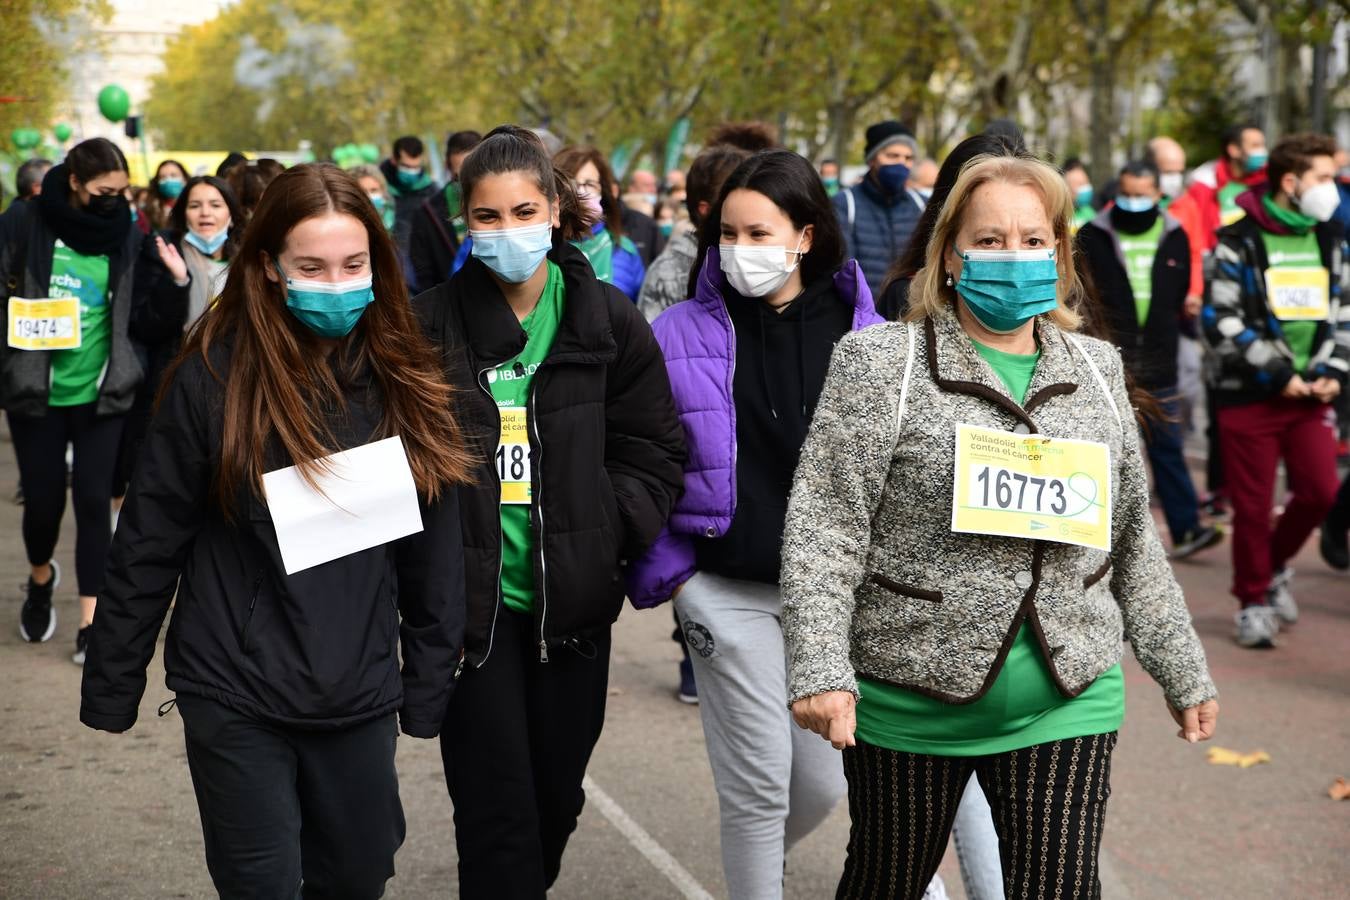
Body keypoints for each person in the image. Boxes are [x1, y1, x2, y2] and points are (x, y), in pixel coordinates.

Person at [784, 153, 1219, 900]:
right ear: (948, 255)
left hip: (1067, 691)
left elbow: (1129, 539)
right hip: (910, 694)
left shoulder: (1098, 369)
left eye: (1031, 240)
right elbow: (825, 527)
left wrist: (1180, 665)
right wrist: (822, 667)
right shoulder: (878, 364)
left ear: (1059, 255)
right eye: (988, 241)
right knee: (884, 882)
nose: (1012, 257)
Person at [80, 162, 470, 897]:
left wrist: (426, 682)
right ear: (267, 268)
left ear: (378, 266)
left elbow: (434, 552)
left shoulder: (409, 377)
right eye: (312, 267)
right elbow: (150, 537)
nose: (336, 283)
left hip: (356, 690)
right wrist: (113, 680)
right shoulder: (211, 380)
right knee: (261, 885)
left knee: (357, 875)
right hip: (235, 688)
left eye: (354, 265)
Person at [413, 125, 685, 898]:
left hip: (573, 610)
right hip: (473, 617)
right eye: (488, 218)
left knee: (555, 802)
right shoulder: (427, 326)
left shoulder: (607, 319)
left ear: (558, 211)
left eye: (524, 211)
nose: (507, 233)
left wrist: (603, 526)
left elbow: (655, 449)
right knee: (496, 816)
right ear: (465, 220)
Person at [627, 148, 887, 899]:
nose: (741, 251)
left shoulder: (869, 335)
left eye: (760, 232)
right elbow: (641, 455)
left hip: (833, 602)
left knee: (823, 787)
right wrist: (677, 571)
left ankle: (755, 876)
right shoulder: (677, 332)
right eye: (728, 235)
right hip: (726, 591)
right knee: (759, 788)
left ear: (806, 235)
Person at [0, 138, 189, 662]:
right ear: (76, 182)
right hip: (35, 392)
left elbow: (145, 320)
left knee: (92, 503)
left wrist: (177, 284)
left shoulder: (126, 235)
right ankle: (40, 579)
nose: (114, 200)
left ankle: (90, 619)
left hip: (103, 392)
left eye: (122, 192)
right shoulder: (24, 222)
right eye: (105, 191)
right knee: (42, 506)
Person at [1202, 133, 1348, 648]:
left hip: (1312, 395)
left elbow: (1345, 311)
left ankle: (1275, 565)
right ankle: (1253, 600)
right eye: (1324, 178)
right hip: (1250, 394)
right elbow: (1220, 318)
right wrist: (1278, 372)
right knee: (1253, 506)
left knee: (1320, 492)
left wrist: (1335, 369)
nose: (1333, 189)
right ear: (1291, 183)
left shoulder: (1331, 239)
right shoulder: (1236, 239)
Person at [1077, 160, 1223, 559]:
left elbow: (1179, 293)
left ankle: (1187, 527)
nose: (1134, 202)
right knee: (1106, 453)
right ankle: (1090, 540)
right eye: (1128, 193)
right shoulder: (1093, 235)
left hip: (1161, 360)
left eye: (1143, 195)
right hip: (1109, 361)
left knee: (1167, 447)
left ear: (1158, 195)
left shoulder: (1174, 234)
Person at [113, 174, 247, 506]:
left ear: (231, 212)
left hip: (237, 384)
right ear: (183, 212)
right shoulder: (162, 251)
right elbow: (145, 326)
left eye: (215, 205)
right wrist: (177, 282)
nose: (206, 213)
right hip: (178, 384)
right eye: (196, 205)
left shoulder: (250, 261)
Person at [876, 133, 1023, 321]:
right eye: (988, 241)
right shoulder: (907, 296)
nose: (1013, 252)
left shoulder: (1044, 298)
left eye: (1033, 241)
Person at [637, 143, 750, 323]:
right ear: (705, 209)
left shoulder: (748, 259)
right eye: (734, 197)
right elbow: (652, 344)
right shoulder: (669, 271)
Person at [833, 119, 923, 296]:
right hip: (862, 317)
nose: (901, 163)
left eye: (908, 158)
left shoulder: (921, 205)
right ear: (872, 159)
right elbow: (841, 268)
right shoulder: (845, 203)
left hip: (911, 315)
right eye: (892, 156)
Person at [554, 145, 648, 301]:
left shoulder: (625, 250)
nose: (580, 192)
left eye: (590, 184)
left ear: (603, 193)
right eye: (572, 183)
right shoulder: (542, 250)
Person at [409, 129, 482, 293]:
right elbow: (424, 277)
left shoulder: (507, 204)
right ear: (447, 167)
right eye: (459, 177)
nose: (467, 183)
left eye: (474, 174)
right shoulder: (426, 214)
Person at [1182, 122, 1269, 248]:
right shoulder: (1205, 183)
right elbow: (1199, 232)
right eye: (1255, 146)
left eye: (1262, 145)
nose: (1262, 151)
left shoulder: (1269, 180)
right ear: (1233, 150)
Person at [380, 135, 438, 256]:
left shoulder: (431, 190)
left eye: (416, 167)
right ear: (394, 160)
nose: (412, 171)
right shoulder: (378, 188)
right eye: (406, 166)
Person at [349, 164, 397, 232]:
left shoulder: (396, 220)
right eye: (363, 191)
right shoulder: (347, 224)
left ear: (383, 190)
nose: (369, 196)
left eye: (374, 190)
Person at [145, 158, 188, 232]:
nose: (168, 180)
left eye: (173, 175)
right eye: (163, 177)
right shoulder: (151, 210)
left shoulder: (193, 206)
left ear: (185, 179)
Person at [1063, 157, 1094, 232]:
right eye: (1080, 184)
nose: (1086, 188)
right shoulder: (1057, 216)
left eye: (1086, 183)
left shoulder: (1090, 214)